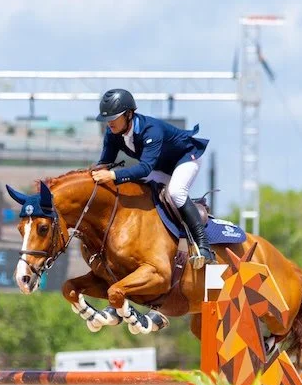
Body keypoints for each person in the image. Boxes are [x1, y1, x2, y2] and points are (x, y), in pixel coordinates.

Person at [90, 88, 215, 265]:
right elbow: (105, 163)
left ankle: (204, 246)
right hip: (160, 167)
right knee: (138, 188)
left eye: (113, 118)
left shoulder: (151, 130)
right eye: (106, 119)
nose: (109, 123)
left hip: (186, 158)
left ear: (129, 114)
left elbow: (144, 168)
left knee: (176, 192)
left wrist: (111, 174)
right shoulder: (112, 133)